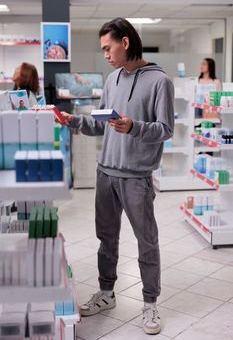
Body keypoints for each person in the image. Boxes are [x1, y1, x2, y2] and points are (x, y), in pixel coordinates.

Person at [60, 18, 174, 335]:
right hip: (105, 172)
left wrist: (134, 126)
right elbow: (100, 123)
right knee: (106, 238)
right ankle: (107, 293)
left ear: (125, 43)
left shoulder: (159, 81)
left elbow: (165, 130)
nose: (106, 55)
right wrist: (74, 121)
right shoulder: (112, 80)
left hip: (136, 177)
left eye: (108, 48)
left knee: (146, 242)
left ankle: (150, 304)